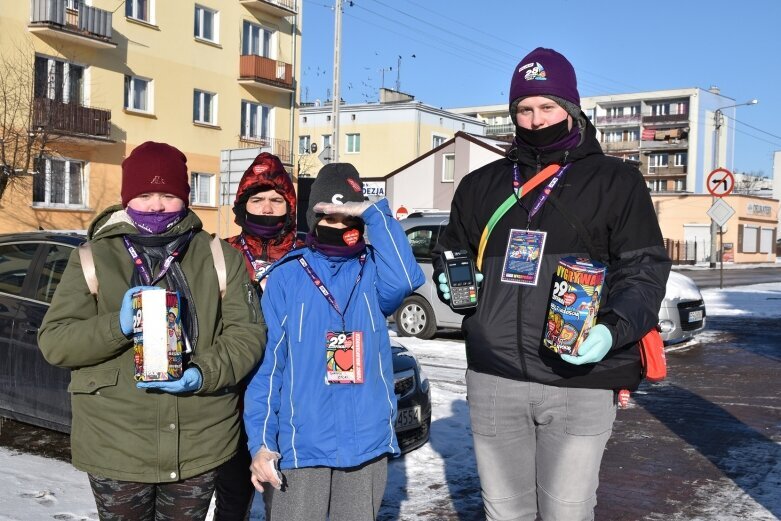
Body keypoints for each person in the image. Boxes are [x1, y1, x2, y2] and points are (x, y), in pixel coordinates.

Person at [433, 48, 671, 520]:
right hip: (494, 377)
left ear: (571, 108)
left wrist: (611, 329)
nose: (536, 118)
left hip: (579, 379)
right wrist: (452, 281)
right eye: (524, 108)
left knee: (567, 511)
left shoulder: (615, 181)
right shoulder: (482, 184)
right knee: (505, 513)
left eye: (548, 106)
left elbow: (644, 270)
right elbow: (453, 250)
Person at [38, 141, 265, 520]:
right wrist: (118, 325)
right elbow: (56, 342)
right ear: (127, 197)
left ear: (186, 197)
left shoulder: (219, 258)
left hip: (199, 440)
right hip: (117, 445)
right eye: (144, 194)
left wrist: (201, 374)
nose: (157, 205)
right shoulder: (93, 258)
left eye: (167, 194)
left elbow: (248, 336)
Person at [244, 163, 425, 521]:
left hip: (366, 445)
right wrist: (263, 443)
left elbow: (407, 277)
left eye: (350, 222)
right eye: (331, 219)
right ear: (314, 221)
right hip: (301, 446)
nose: (342, 229)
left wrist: (374, 213)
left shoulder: (374, 272)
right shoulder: (286, 278)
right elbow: (268, 370)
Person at [215, 152, 299, 520]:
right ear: (243, 203)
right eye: (258, 199)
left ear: (290, 205)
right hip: (232, 401)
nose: (267, 208)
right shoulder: (220, 253)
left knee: (287, 503)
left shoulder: (307, 253)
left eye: (276, 200)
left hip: (289, 399)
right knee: (232, 502)